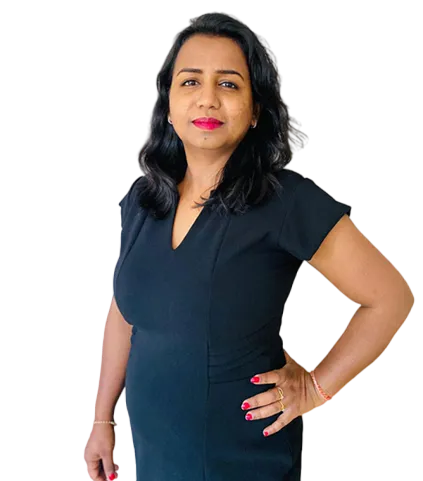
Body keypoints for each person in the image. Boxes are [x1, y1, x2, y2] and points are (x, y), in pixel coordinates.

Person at [82, 11, 415, 481]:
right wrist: (102, 420)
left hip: (240, 461)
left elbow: (390, 297)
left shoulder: (284, 201)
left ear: (255, 110)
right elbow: (126, 311)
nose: (208, 98)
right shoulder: (145, 199)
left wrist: (317, 387)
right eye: (190, 81)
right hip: (155, 457)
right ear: (169, 106)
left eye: (229, 84)